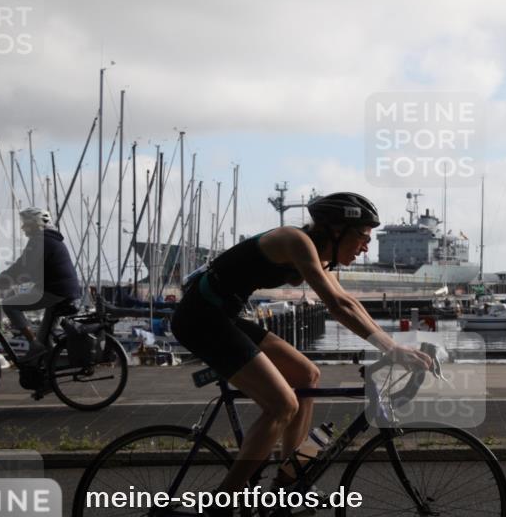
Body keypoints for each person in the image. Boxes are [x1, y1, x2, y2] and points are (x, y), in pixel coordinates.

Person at [171, 192, 431, 495]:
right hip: (200, 318)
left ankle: (290, 480)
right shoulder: (295, 242)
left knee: (308, 376)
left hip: (223, 316)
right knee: (282, 405)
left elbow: (347, 301)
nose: (366, 246)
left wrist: (392, 345)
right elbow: (336, 305)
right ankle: (224, 500)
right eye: (362, 236)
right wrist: (392, 349)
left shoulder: (319, 255)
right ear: (336, 231)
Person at [0, 207, 81, 360]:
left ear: (36, 224)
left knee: (9, 305)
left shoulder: (40, 240)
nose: (23, 227)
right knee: (44, 339)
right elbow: (22, 267)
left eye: (26, 224)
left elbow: (24, 269)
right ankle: (49, 376)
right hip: (62, 292)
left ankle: (34, 345)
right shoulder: (47, 239)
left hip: (56, 292)